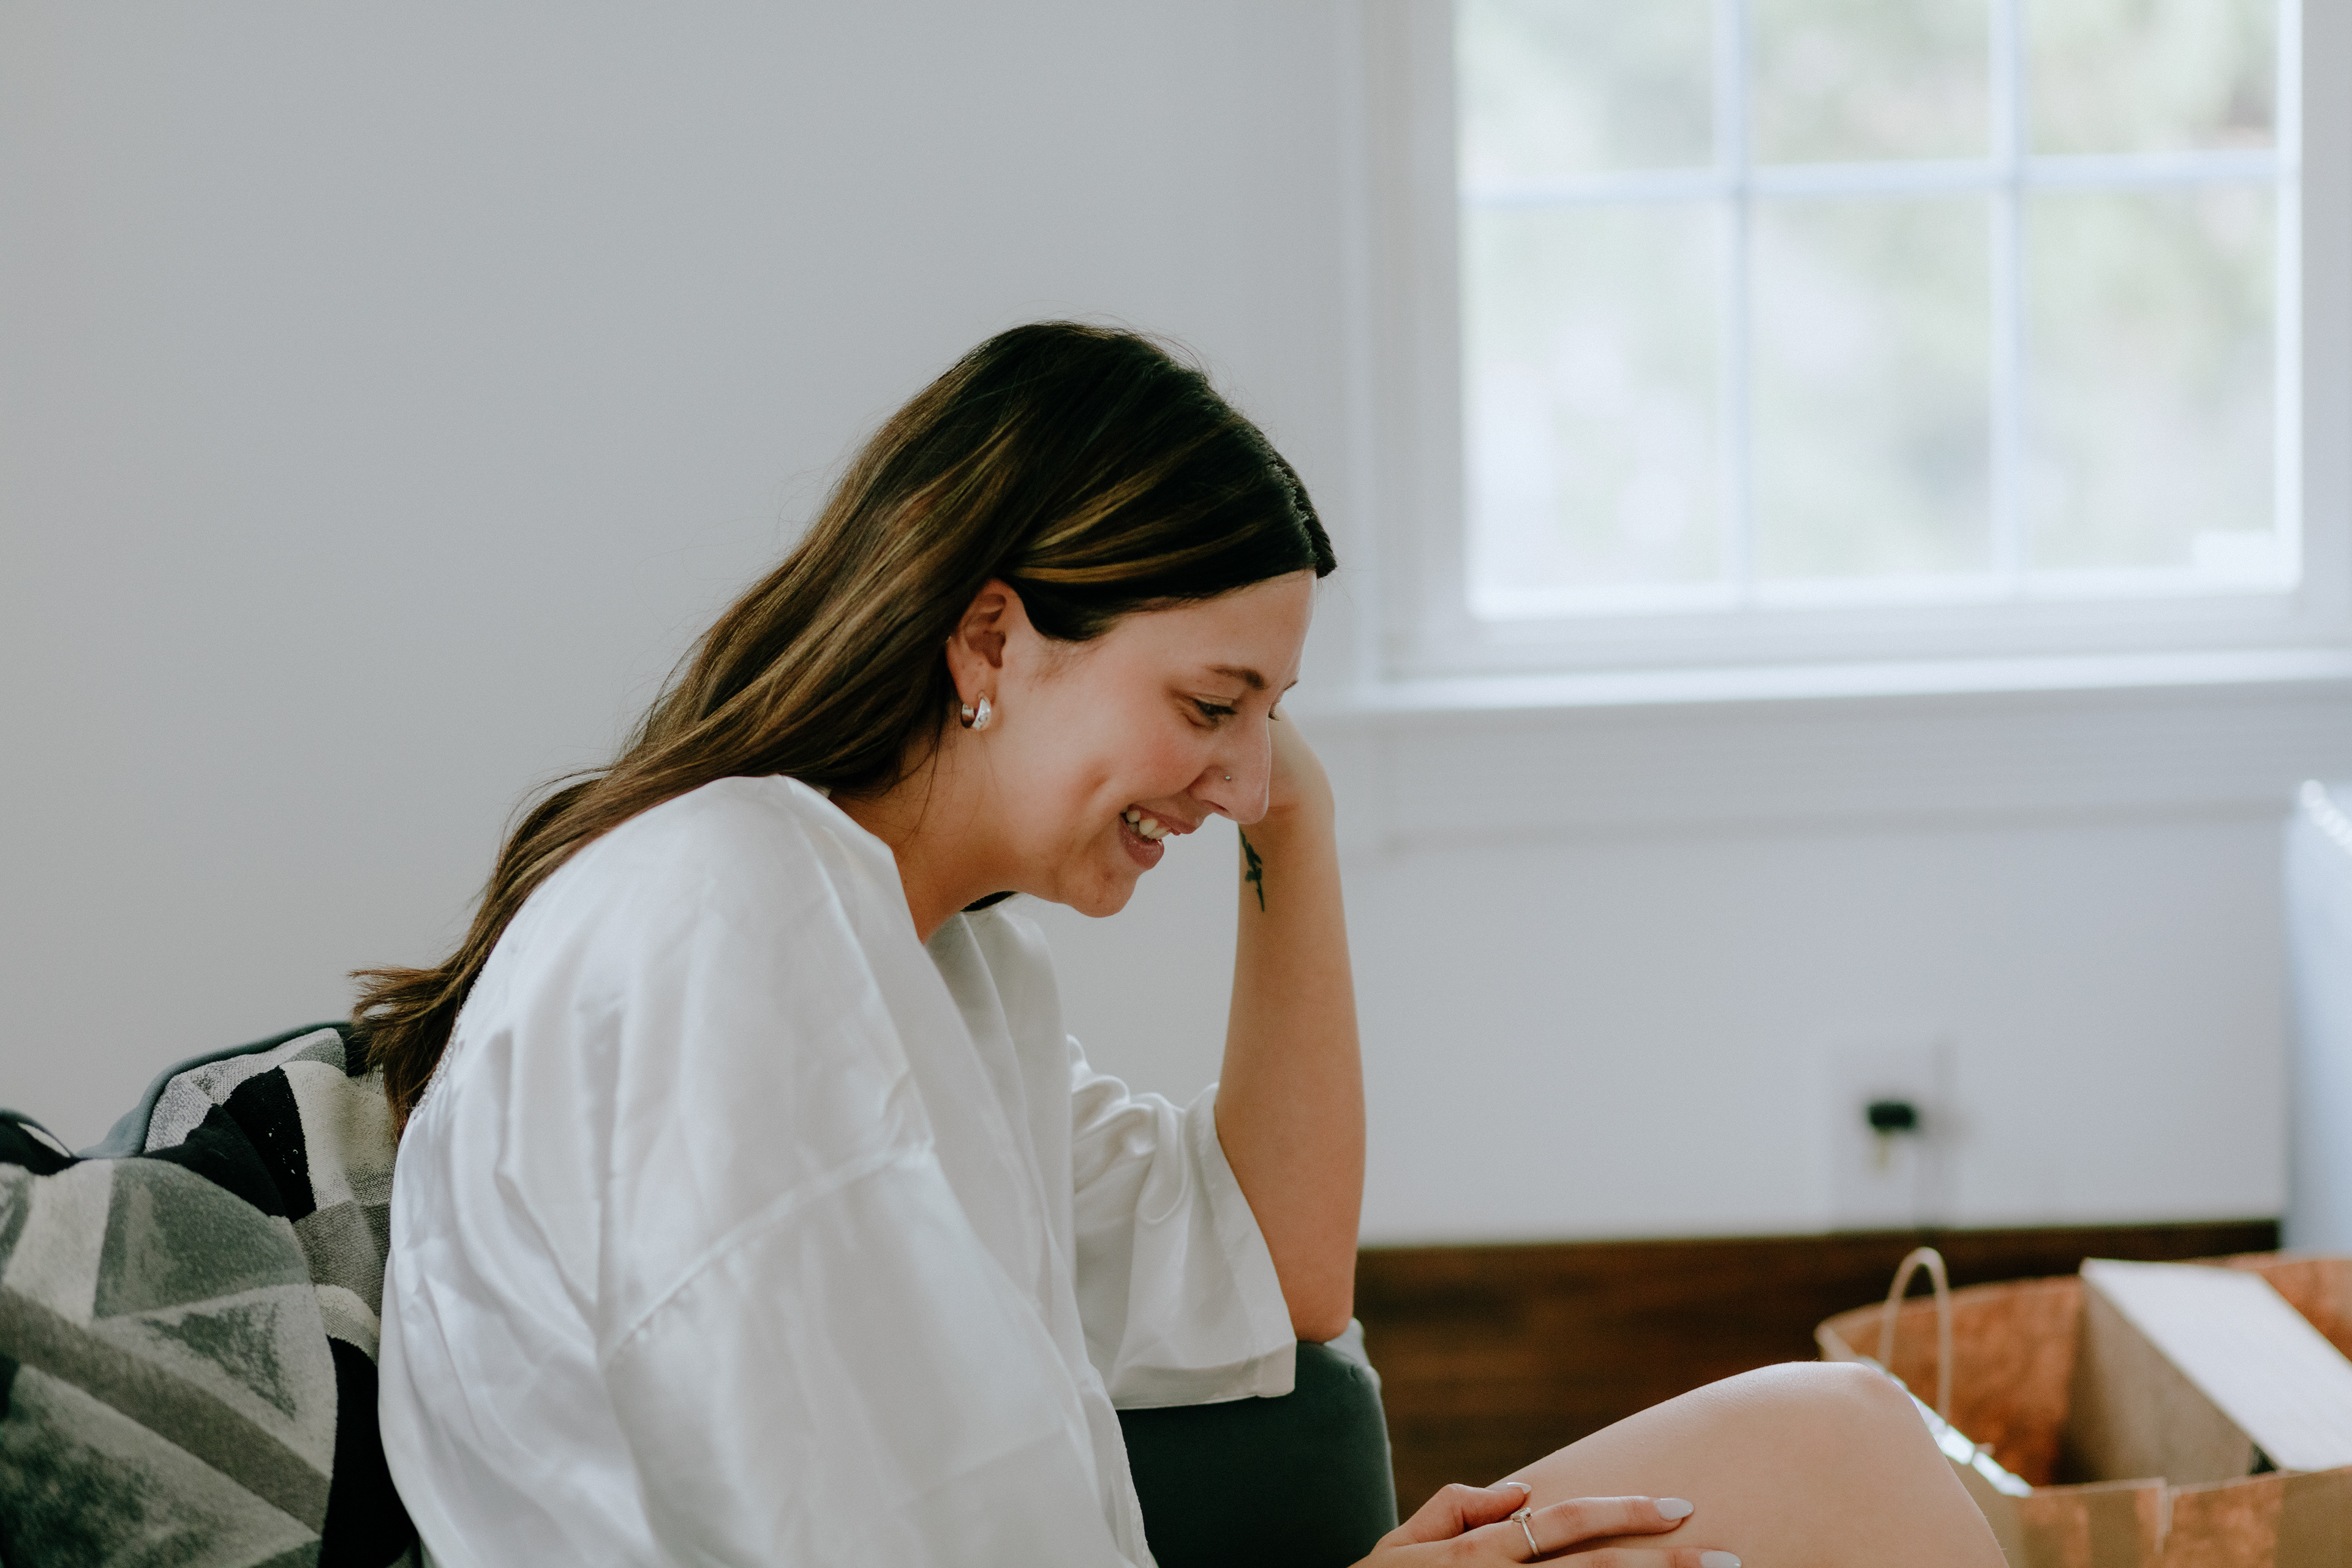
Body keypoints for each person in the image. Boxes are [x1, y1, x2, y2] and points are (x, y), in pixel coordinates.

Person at [364, 322, 2006, 1567]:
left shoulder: (954, 975)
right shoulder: (726, 915)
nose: (1243, 778)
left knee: (1841, 1437)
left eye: (1270, 716)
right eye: (1213, 706)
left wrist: (1300, 826)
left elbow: (1272, 1274)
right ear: (992, 637)